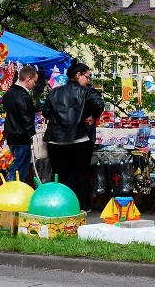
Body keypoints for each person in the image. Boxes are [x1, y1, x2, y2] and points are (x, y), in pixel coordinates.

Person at [42, 63, 104, 212]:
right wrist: (93, 116)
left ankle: (57, 206)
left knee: (59, 175)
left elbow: (45, 112)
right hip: (80, 138)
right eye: (87, 76)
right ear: (78, 75)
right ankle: (82, 207)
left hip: (55, 140)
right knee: (81, 174)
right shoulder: (87, 91)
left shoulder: (54, 92)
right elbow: (99, 103)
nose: (88, 80)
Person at [2, 65, 39, 183]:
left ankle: (12, 190)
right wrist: (32, 135)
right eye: (34, 81)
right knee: (19, 170)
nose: (35, 84)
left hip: (11, 136)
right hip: (22, 137)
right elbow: (26, 118)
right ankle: (14, 195)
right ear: (28, 79)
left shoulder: (8, 93)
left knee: (15, 166)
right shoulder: (23, 95)